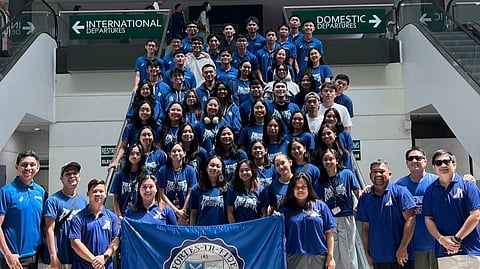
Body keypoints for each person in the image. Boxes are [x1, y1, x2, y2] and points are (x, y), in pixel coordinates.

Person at [423, 149, 480, 269]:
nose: (443, 165)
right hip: (444, 253)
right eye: (438, 163)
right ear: (434, 167)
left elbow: (475, 216)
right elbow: (428, 218)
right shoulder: (430, 191)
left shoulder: (468, 185)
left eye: (446, 162)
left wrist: (456, 240)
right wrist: (441, 239)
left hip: (471, 251)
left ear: (454, 164)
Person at [357, 159, 416, 269]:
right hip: (378, 257)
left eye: (382, 171)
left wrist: (403, 248)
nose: (378, 174)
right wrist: (366, 253)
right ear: (370, 175)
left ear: (389, 174)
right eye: (375, 172)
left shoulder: (401, 192)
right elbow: (365, 228)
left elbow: (411, 220)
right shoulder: (365, 198)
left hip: (402, 256)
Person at [277, 172, 336, 269]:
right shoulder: (285, 210)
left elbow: (329, 233)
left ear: (309, 188)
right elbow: (278, 234)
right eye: (297, 187)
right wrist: (276, 218)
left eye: (303, 187)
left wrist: (330, 257)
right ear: (292, 189)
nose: (300, 190)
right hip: (294, 259)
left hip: (319, 258)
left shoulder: (321, 206)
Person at [314, 149, 361, 269]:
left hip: (346, 216)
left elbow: (357, 192)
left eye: (331, 159)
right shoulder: (320, 181)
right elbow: (318, 201)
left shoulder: (347, 174)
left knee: (348, 252)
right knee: (333, 253)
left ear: (337, 160)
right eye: (325, 160)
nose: (328, 162)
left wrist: (359, 207)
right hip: (329, 219)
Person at [394, 147, 439, 269]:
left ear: (425, 161)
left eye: (418, 158)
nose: (414, 160)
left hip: (438, 244)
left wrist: (468, 178)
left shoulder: (437, 181)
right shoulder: (399, 185)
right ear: (407, 163)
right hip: (414, 246)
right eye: (411, 158)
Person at [0, 151, 45, 269]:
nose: (28, 168)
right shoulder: (6, 192)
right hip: (13, 258)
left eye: (32, 164)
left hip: (34, 256)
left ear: (38, 167)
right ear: (17, 167)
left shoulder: (40, 191)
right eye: (24, 165)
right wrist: (7, 254)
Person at [43, 161, 88, 269]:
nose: (72, 176)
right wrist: (53, 256)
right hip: (57, 259)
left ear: (79, 177)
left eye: (75, 173)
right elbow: (49, 229)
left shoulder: (83, 201)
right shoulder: (53, 201)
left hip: (77, 259)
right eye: (68, 173)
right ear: (61, 178)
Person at [69, 179, 119, 269]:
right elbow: (75, 243)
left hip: (105, 265)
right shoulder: (78, 218)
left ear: (106, 194)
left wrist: (104, 257)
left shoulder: (112, 217)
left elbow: (116, 240)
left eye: (101, 191)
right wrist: (95, 261)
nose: (98, 194)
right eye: (95, 191)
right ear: (88, 194)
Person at [157, 142, 197, 225]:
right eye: (174, 151)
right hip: (168, 210)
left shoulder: (190, 170)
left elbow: (190, 192)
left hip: (185, 212)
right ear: (169, 154)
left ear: (184, 153)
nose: (177, 153)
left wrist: (183, 212)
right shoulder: (163, 170)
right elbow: (161, 194)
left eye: (179, 151)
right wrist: (175, 211)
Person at [189, 156, 228, 226]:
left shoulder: (227, 189)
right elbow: (193, 213)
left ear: (222, 170)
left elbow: (229, 212)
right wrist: (193, 232)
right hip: (202, 231)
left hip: (222, 232)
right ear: (206, 167)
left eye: (218, 166)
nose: (215, 168)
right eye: (212, 165)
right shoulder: (196, 189)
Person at [110, 144, 145, 219]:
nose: (135, 156)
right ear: (128, 155)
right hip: (124, 216)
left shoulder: (145, 175)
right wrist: (119, 216)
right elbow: (115, 199)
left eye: (138, 154)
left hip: (141, 216)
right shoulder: (120, 175)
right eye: (132, 154)